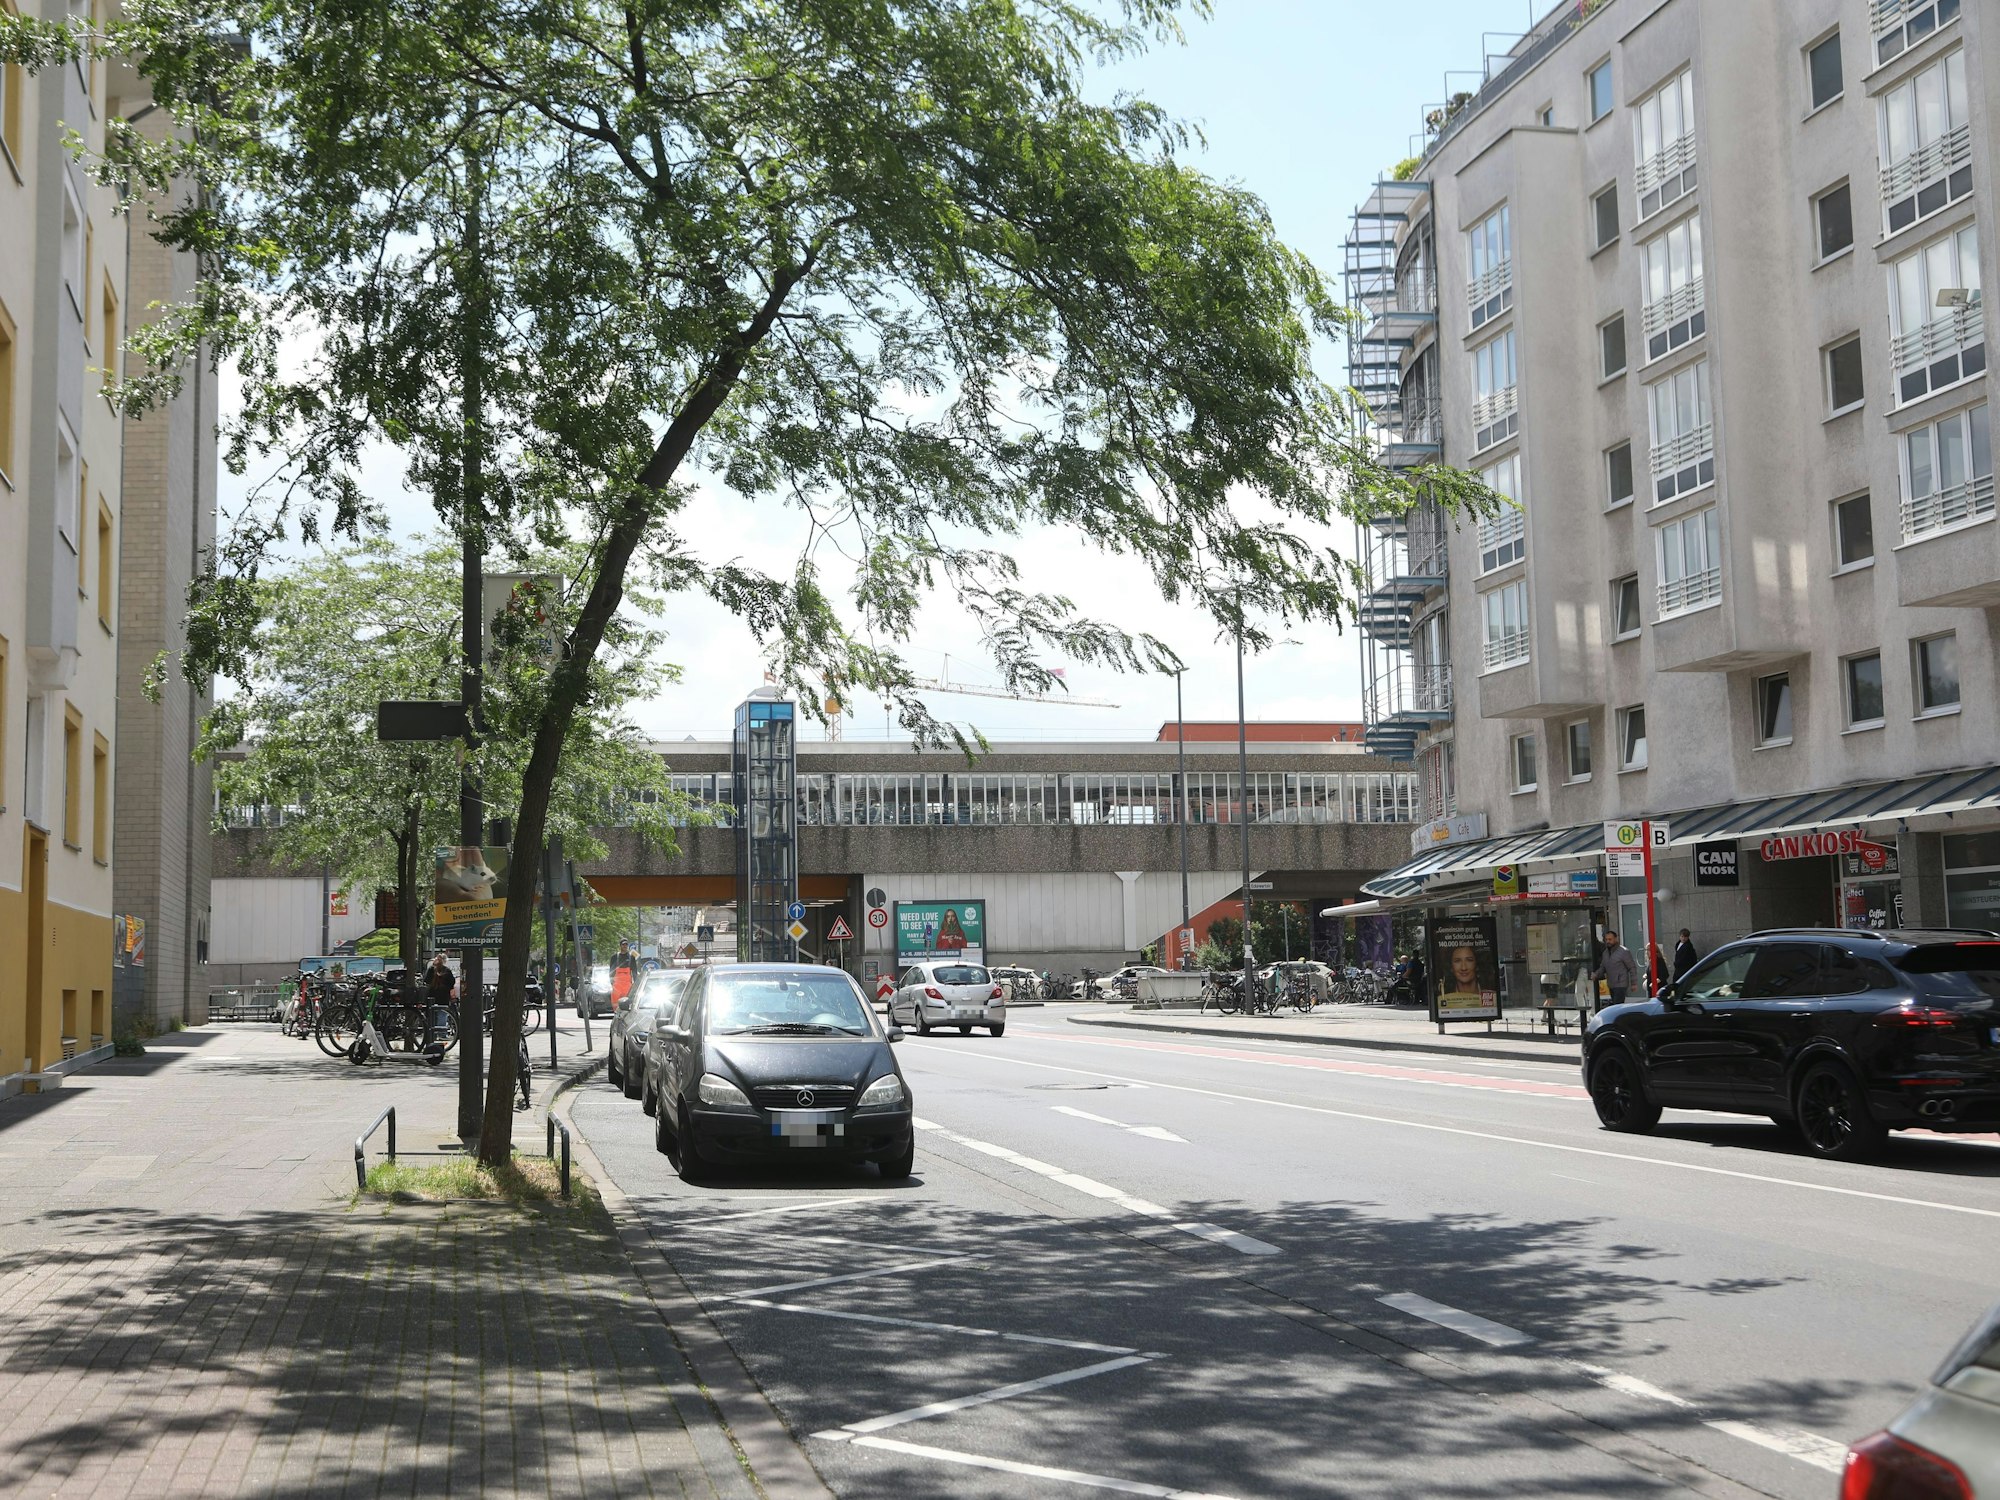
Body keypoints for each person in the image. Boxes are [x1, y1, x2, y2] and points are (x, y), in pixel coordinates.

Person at [1593, 930, 1641, 1011]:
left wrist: (1634, 983)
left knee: (1617, 1006)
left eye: (1610, 939)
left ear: (1616, 939)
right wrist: (1596, 974)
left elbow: (1632, 967)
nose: (1608, 941)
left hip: (1621, 984)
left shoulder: (1623, 951)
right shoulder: (1605, 953)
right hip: (1611, 984)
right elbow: (1603, 967)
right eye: (1606, 939)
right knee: (1616, 1007)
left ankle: (1619, 1022)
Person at [611, 940, 638, 1011]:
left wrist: (636, 983)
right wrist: (611, 983)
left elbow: (634, 971)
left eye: (626, 944)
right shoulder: (614, 957)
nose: (625, 946)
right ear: (620, 946)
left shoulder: (631, 957)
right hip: (617, 986)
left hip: (627, 986)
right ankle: (616, 1015)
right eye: (623, 944)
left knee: (627, 1004)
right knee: (616, 1004)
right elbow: (611, 972)